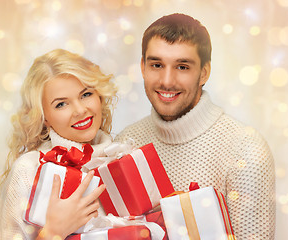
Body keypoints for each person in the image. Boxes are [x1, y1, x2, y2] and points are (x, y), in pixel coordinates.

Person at [116, 13, 276, 239]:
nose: (167, 80)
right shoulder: (125, 142)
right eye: (156, 64)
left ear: (204, 73)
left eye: (182, 67)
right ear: (143, 67)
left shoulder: (245, 149)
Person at [0, 49, 117, 240]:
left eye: (86, 94)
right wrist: (53, 233)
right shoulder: (29, 169)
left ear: (99, 96)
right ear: (44, 118)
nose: (80, 110)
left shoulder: (121, 157)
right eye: (61, 104)